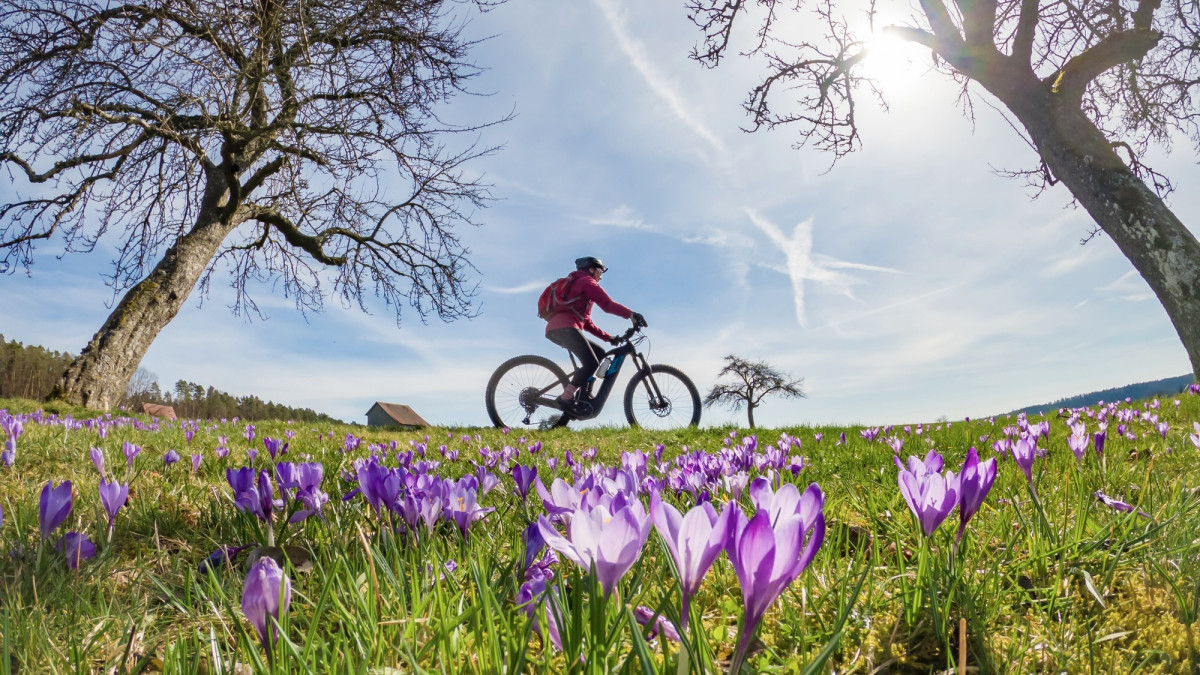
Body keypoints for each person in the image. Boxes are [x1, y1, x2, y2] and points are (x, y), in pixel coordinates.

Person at [545, 256, 647, 405]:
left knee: (599, 353)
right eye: (600, 271)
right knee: (591, 363)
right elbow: (607, 304)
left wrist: (608, 338)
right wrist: (631, 315)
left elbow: (586, 322)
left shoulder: (577, 284)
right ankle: (565, 398)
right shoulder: (587, 282)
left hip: (557, 328)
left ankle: (582, 396)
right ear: (591, 269)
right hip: (566, 328)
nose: (601, 276)